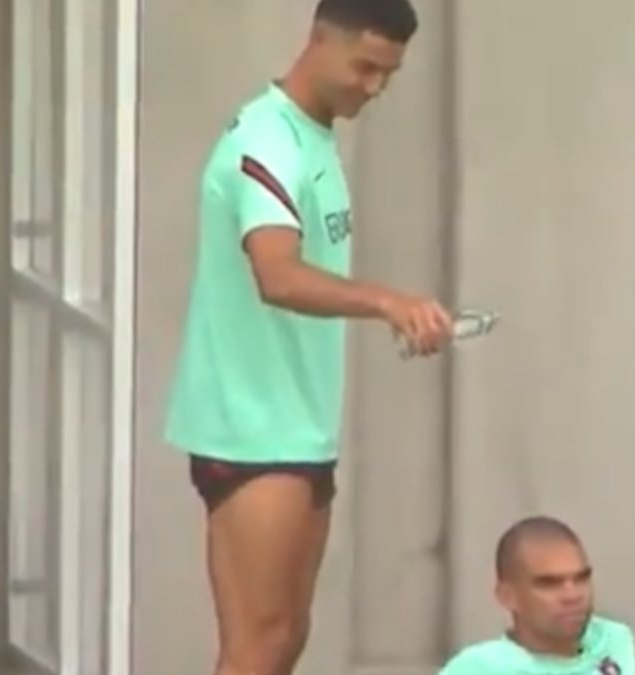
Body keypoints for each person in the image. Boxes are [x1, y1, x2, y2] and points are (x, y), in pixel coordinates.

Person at [162, 0, 453, 673]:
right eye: (366, 67)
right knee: (257, 645)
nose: (375, 87)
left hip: (299, 426)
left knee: (286, 636)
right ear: (320, 39)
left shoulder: (312, 137)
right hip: (250, 428)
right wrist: (387, 302)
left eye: (390, 74)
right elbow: (278, 275)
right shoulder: (266, 141)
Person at [438, 516, 635, 674]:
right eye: (549, 584)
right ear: (507, 596)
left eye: (581, 578)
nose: (572, 596)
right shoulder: (479, 668)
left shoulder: (613, 640)